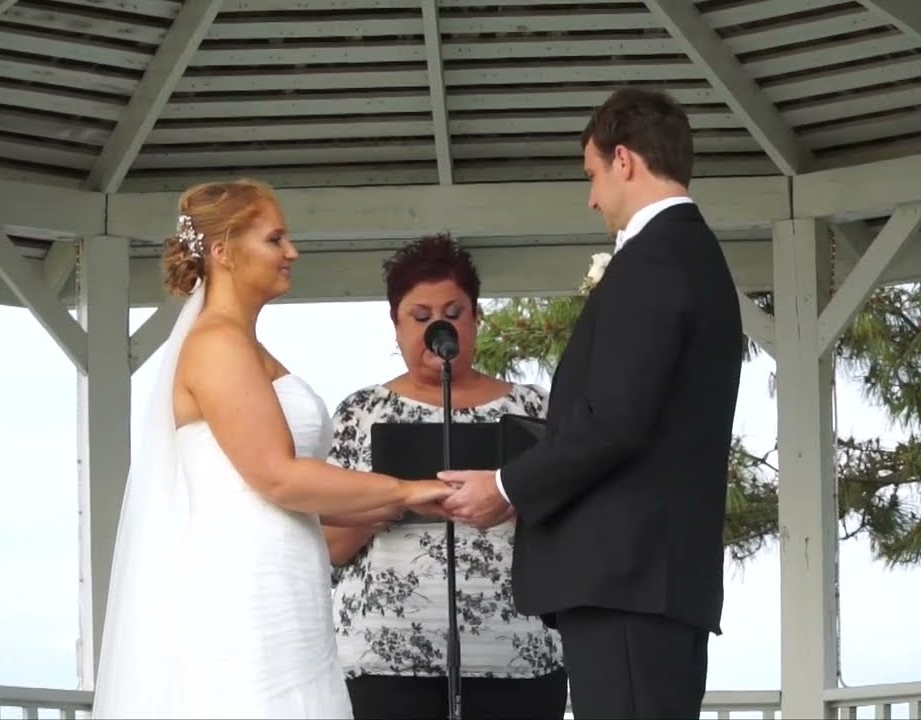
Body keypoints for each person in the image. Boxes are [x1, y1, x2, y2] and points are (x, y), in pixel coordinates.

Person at [90, 179, 455, 719]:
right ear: (222, 252)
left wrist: (400, 500)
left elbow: (274, 484)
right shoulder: (216, 345)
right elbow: (278, 477)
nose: (292, 252)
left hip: (287, 579)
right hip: (245, 586)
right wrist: (403, 485)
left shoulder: (243, 345)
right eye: (275, 239)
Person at [439, 87, 744, 719]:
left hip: (628, 578)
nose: (592, 198)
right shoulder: (695, 256)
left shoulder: (655, 260)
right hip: (655, 578)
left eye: (593, 175)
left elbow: (613, 421)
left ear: (625, 160)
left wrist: (507, 485)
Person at [321, 234, 568, 720]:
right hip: (386, 657)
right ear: (395, 326)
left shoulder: (534, 407)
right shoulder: (361, 412)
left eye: (453, 313)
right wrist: (400, 497)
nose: (438, 327)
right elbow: (332, 543)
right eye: (420, 317)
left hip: (517, 651)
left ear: (476, 317)